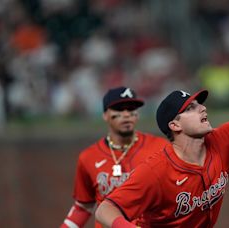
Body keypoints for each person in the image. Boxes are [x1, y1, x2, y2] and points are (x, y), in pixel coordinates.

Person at [95, 29, 229, 227]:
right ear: (175, 125)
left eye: (199, 104)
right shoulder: (155, 172)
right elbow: (105, 209)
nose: (202, 109)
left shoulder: (223, 139)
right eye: (191, 108)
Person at [61, 86, 169, 228]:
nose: (126, 114)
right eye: (119, 109)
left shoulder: (161, 148)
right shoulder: (88, 157)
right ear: (105, 114)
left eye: (131, 109)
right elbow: (83, 206)